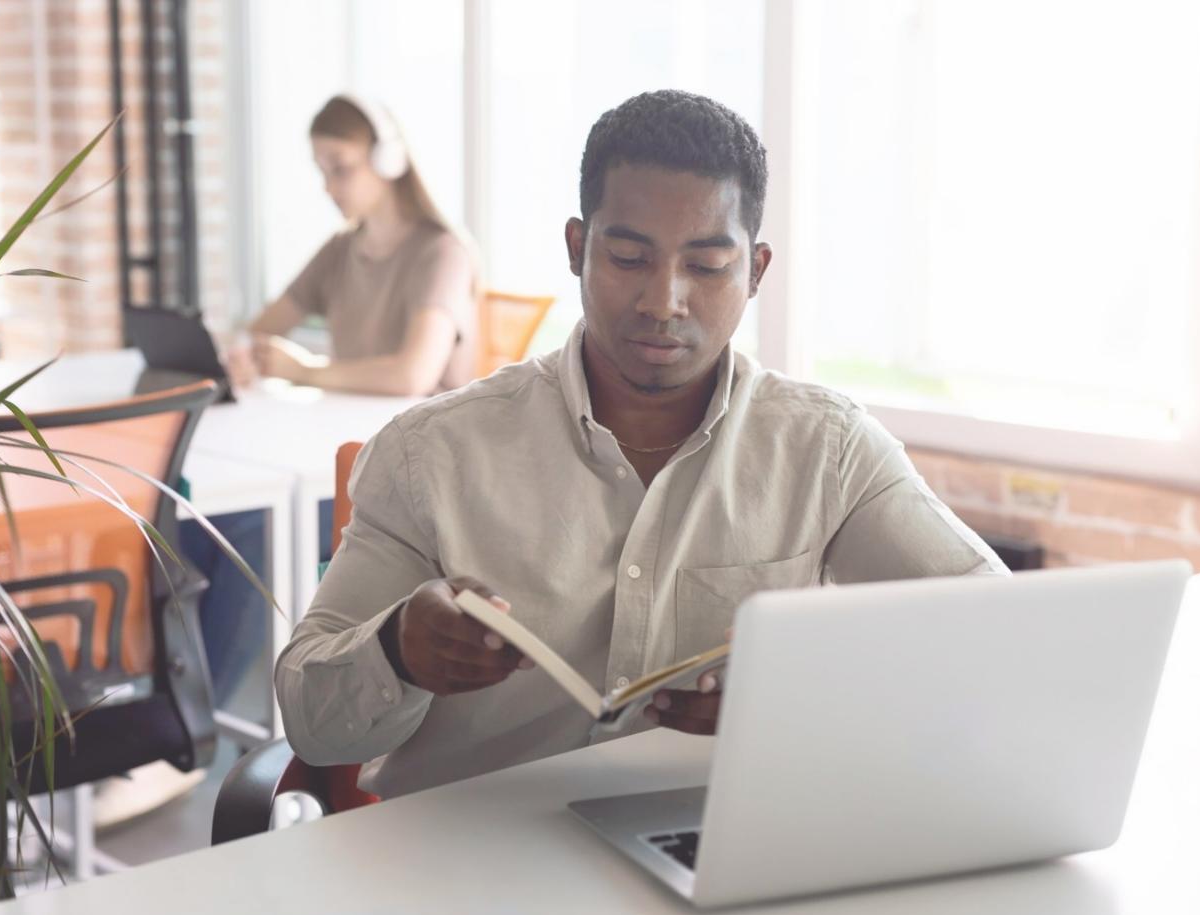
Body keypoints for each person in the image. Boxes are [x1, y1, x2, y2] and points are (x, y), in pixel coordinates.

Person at [275, 90, 1009, 800]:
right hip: (468, 866)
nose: (664, 301)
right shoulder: (427, 455)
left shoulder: (828, 450)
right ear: (576, 249)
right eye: (629, 258)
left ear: (754, 272)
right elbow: (311, 723)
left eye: (707, 266)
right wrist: (399, 651)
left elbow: (1001, 639)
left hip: (710, 859)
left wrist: (805, 702)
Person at [226, 94, 478, 397]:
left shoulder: (443, 252)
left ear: (388, 160)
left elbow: (411, 377)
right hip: (352, 427)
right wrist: (243, 358)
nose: (328, 188)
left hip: (423, 437)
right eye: (322, 171)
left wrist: (303, 370)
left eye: (340, 168)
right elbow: (260, 331)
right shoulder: (340, 249)